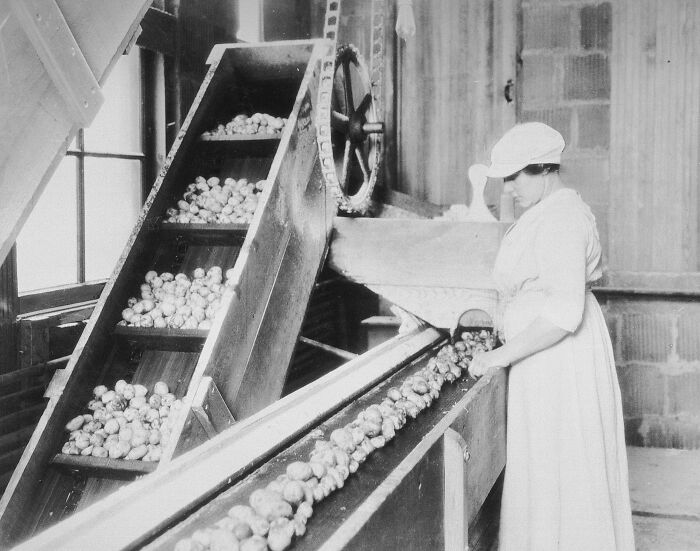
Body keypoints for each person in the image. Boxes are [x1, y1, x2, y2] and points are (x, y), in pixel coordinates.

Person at [468, 122, 635, 551]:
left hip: (561, 356)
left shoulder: (562, 216)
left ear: (544, 169)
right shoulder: (542, 212)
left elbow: (563, 313)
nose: (508, 188)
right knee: (548, 472)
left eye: (516, 176)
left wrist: (500, 356)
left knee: (565, 469)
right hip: (542, 355)